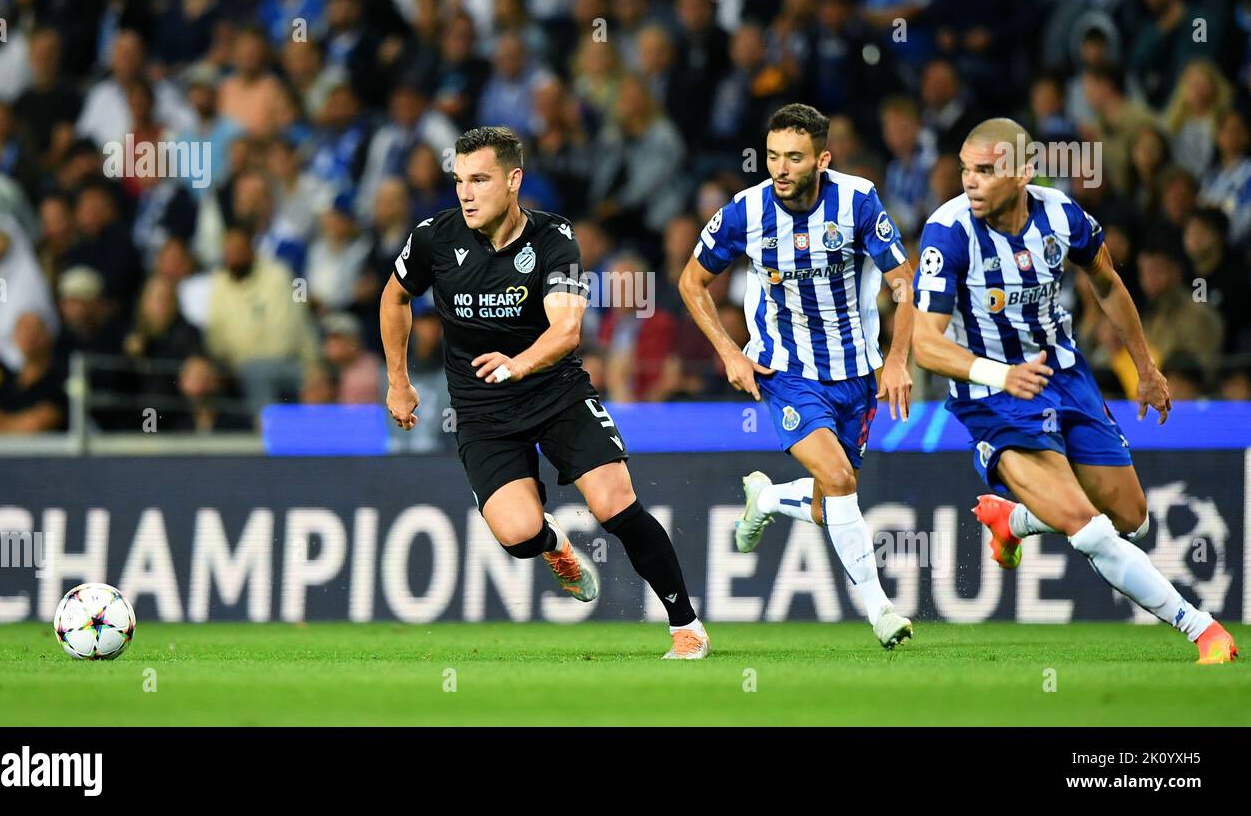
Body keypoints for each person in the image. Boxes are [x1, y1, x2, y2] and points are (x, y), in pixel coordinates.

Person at [911, 116, 1237, 664]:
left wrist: (1146, 367)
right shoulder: (949, 232)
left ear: (1023, 173)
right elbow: (925, 343)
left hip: (1065, 377)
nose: (970, 182)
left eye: (986, 171)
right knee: (1087, 528)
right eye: (966, 170)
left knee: (1131, 517)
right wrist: (1000, 375)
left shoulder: (1062, 216)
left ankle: (1012, 518)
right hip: (995, 400)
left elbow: (1107, 281)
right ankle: (1202, 628)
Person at [381, 125, 709, 659]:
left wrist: (518, 365)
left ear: (513, 181)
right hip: (483, 412)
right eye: (459, 180)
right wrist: (398, 380)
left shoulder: (554, 238)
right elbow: (394, 298)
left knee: (615, 503)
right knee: (517, 534)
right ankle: (554, 544)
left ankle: (685, 625)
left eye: (480, 180)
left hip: (555, 393)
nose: (465, 193)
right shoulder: (434, 238)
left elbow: (566, 331)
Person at [678, 103, 917, 650]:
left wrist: (899, 359)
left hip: (856, 371)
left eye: (793, 157)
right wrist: (730, 351)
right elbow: (692, 283)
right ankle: (880, 611)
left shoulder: (858, 201)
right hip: (786, 371)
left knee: (831, 497)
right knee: (839, 480)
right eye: (772, 157)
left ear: (822, 159)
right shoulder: (746, 211)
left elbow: (903, 284)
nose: (780, 168)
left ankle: (766, 500)